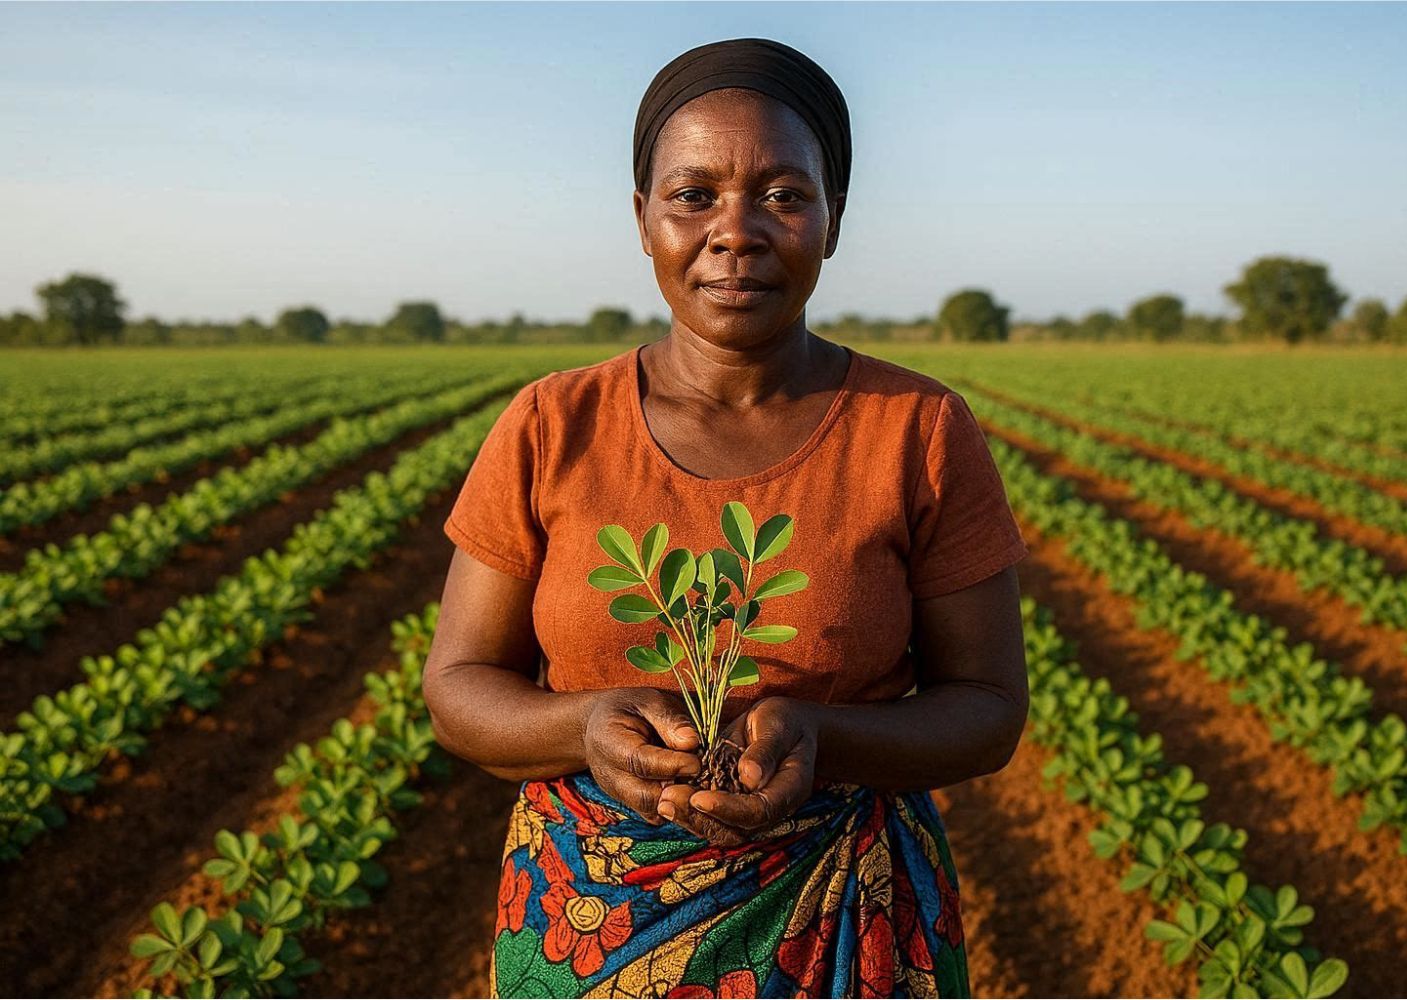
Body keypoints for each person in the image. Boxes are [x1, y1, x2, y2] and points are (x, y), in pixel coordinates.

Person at [423, 36, 1030, 999]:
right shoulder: (550, 424)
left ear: (832, 222)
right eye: (693, 194)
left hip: (850, 922)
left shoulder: (917, 429)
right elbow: (458, 686)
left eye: (784, 195)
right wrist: (586, 727)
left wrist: (822, 736)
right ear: (642, 219)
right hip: (591, 925)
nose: (736, 231)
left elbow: (988, 713)